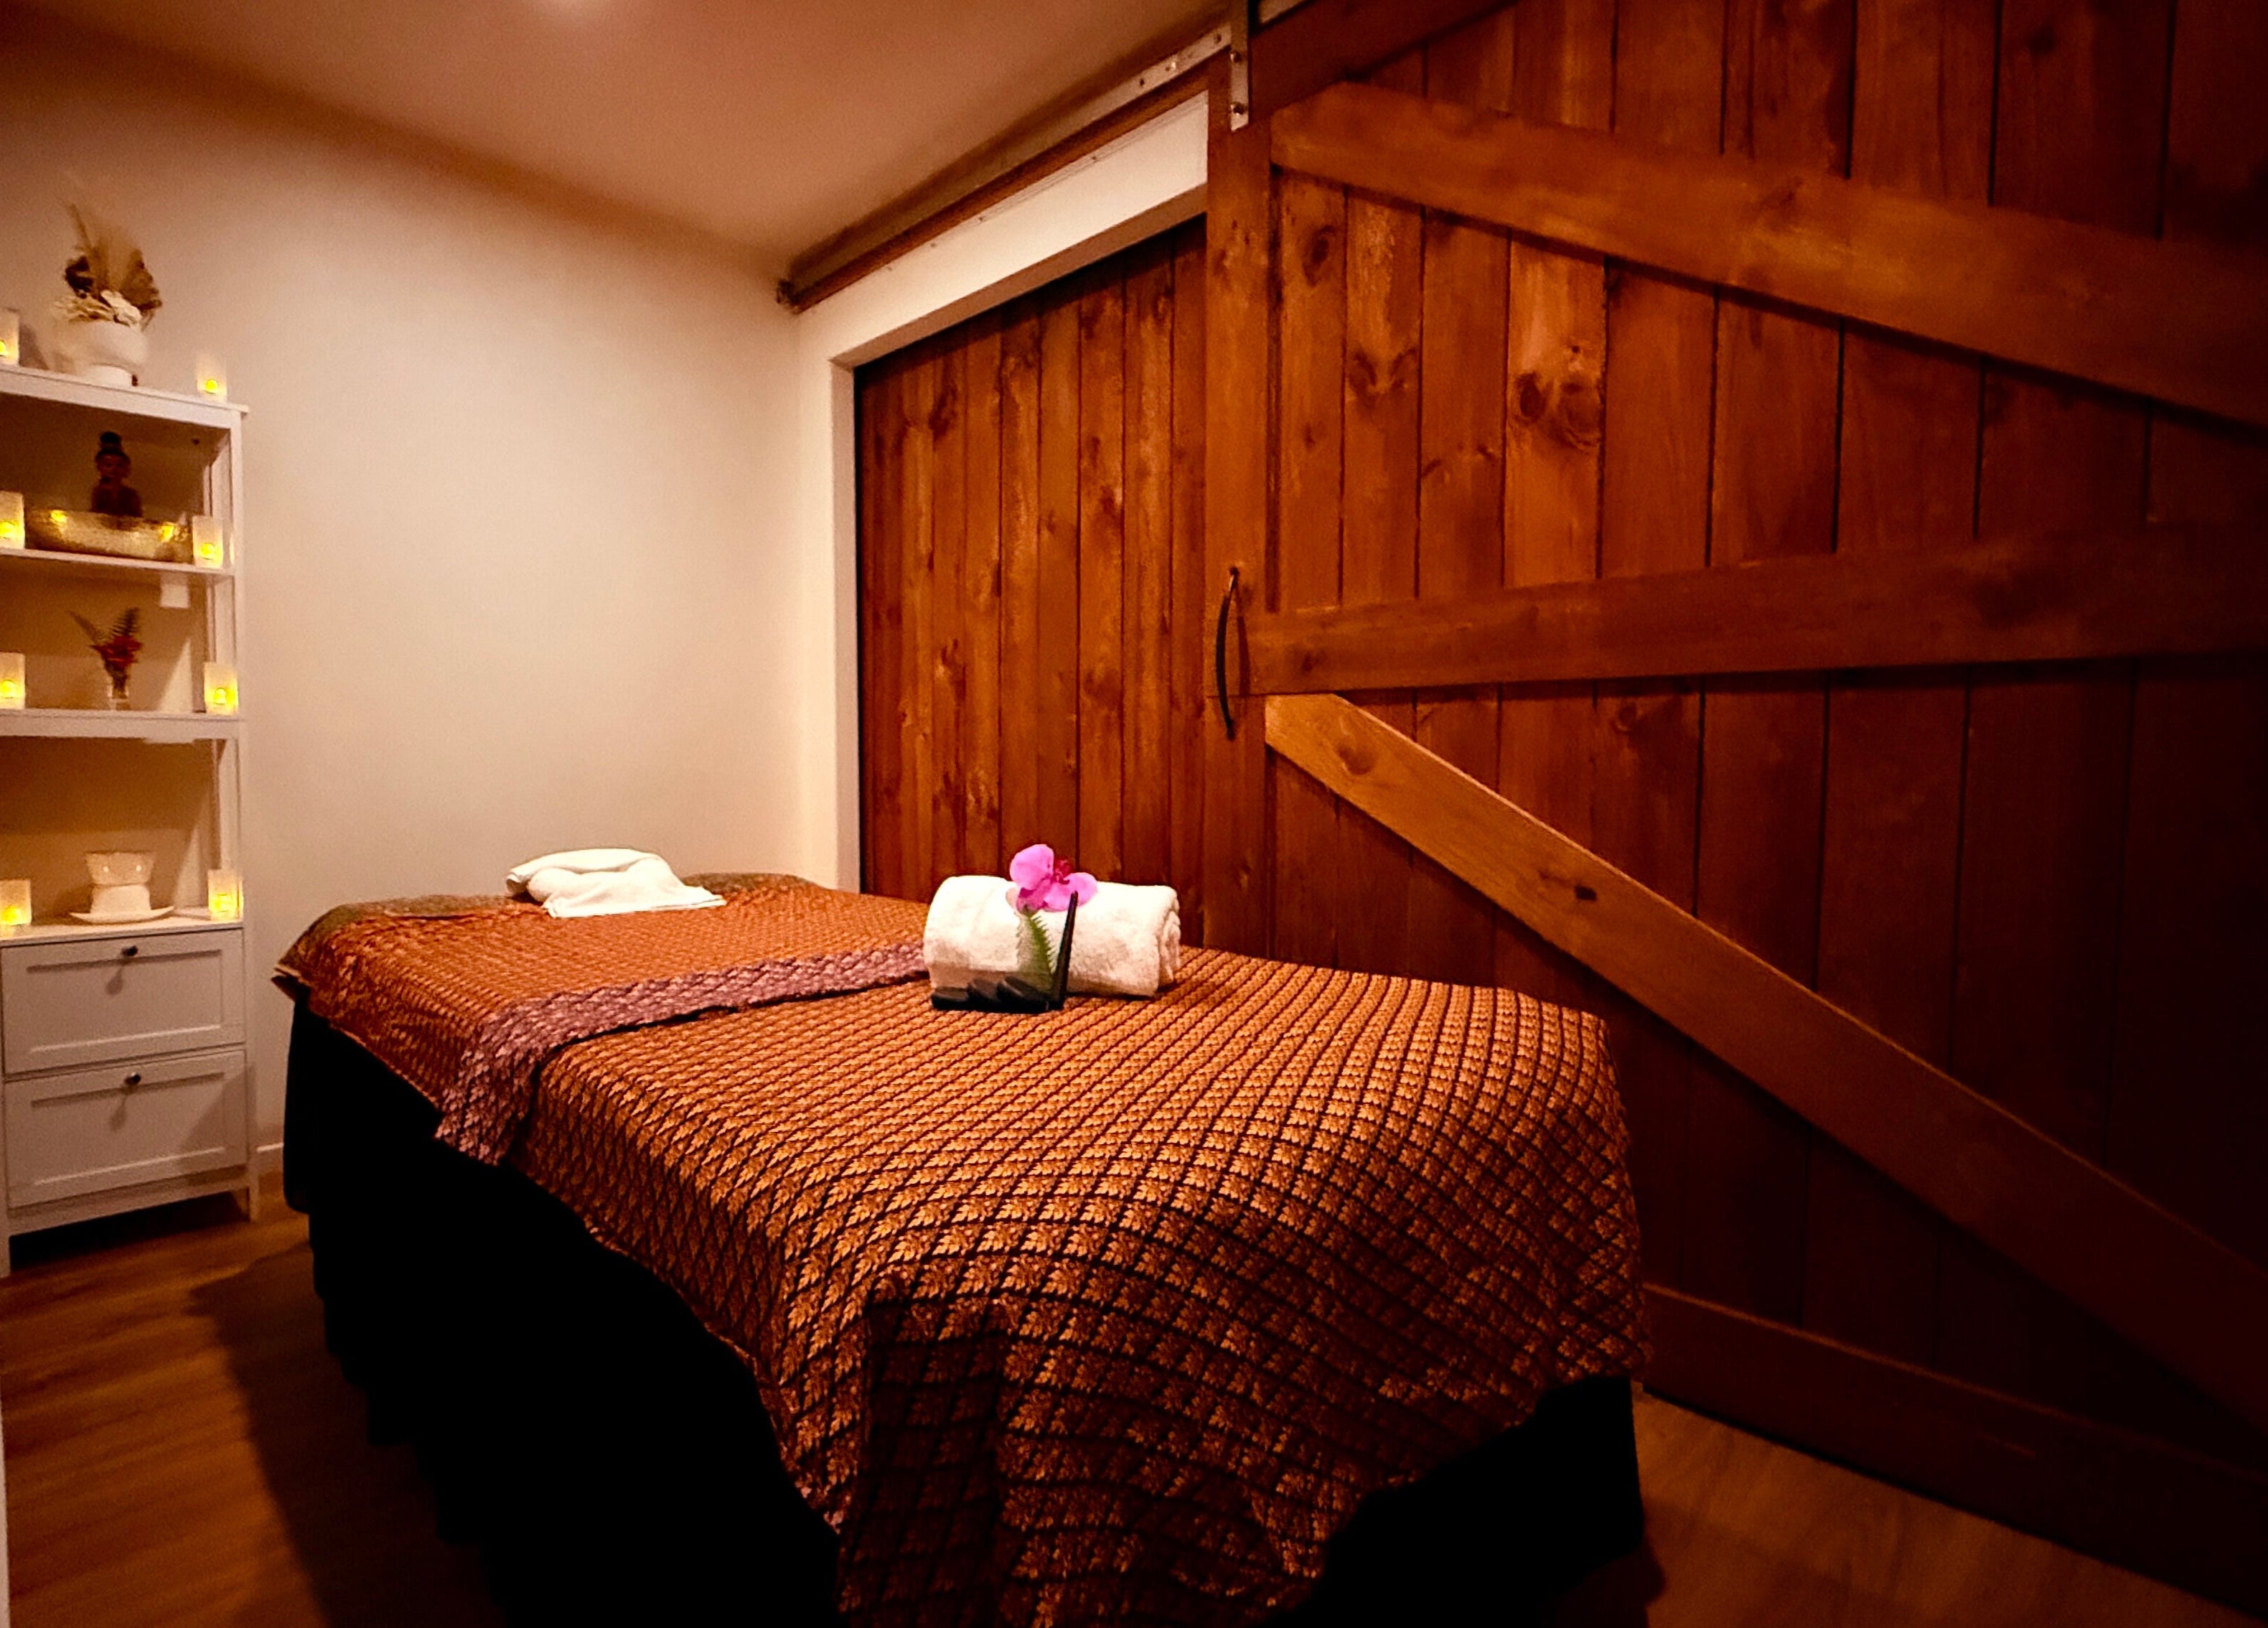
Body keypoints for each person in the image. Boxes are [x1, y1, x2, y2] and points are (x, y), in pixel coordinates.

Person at [91, 430, 142, 518]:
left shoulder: (131, 495)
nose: (114, 470)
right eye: (108, 465)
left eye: (119, 465)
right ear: (99, 466)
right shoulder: (97, 492)